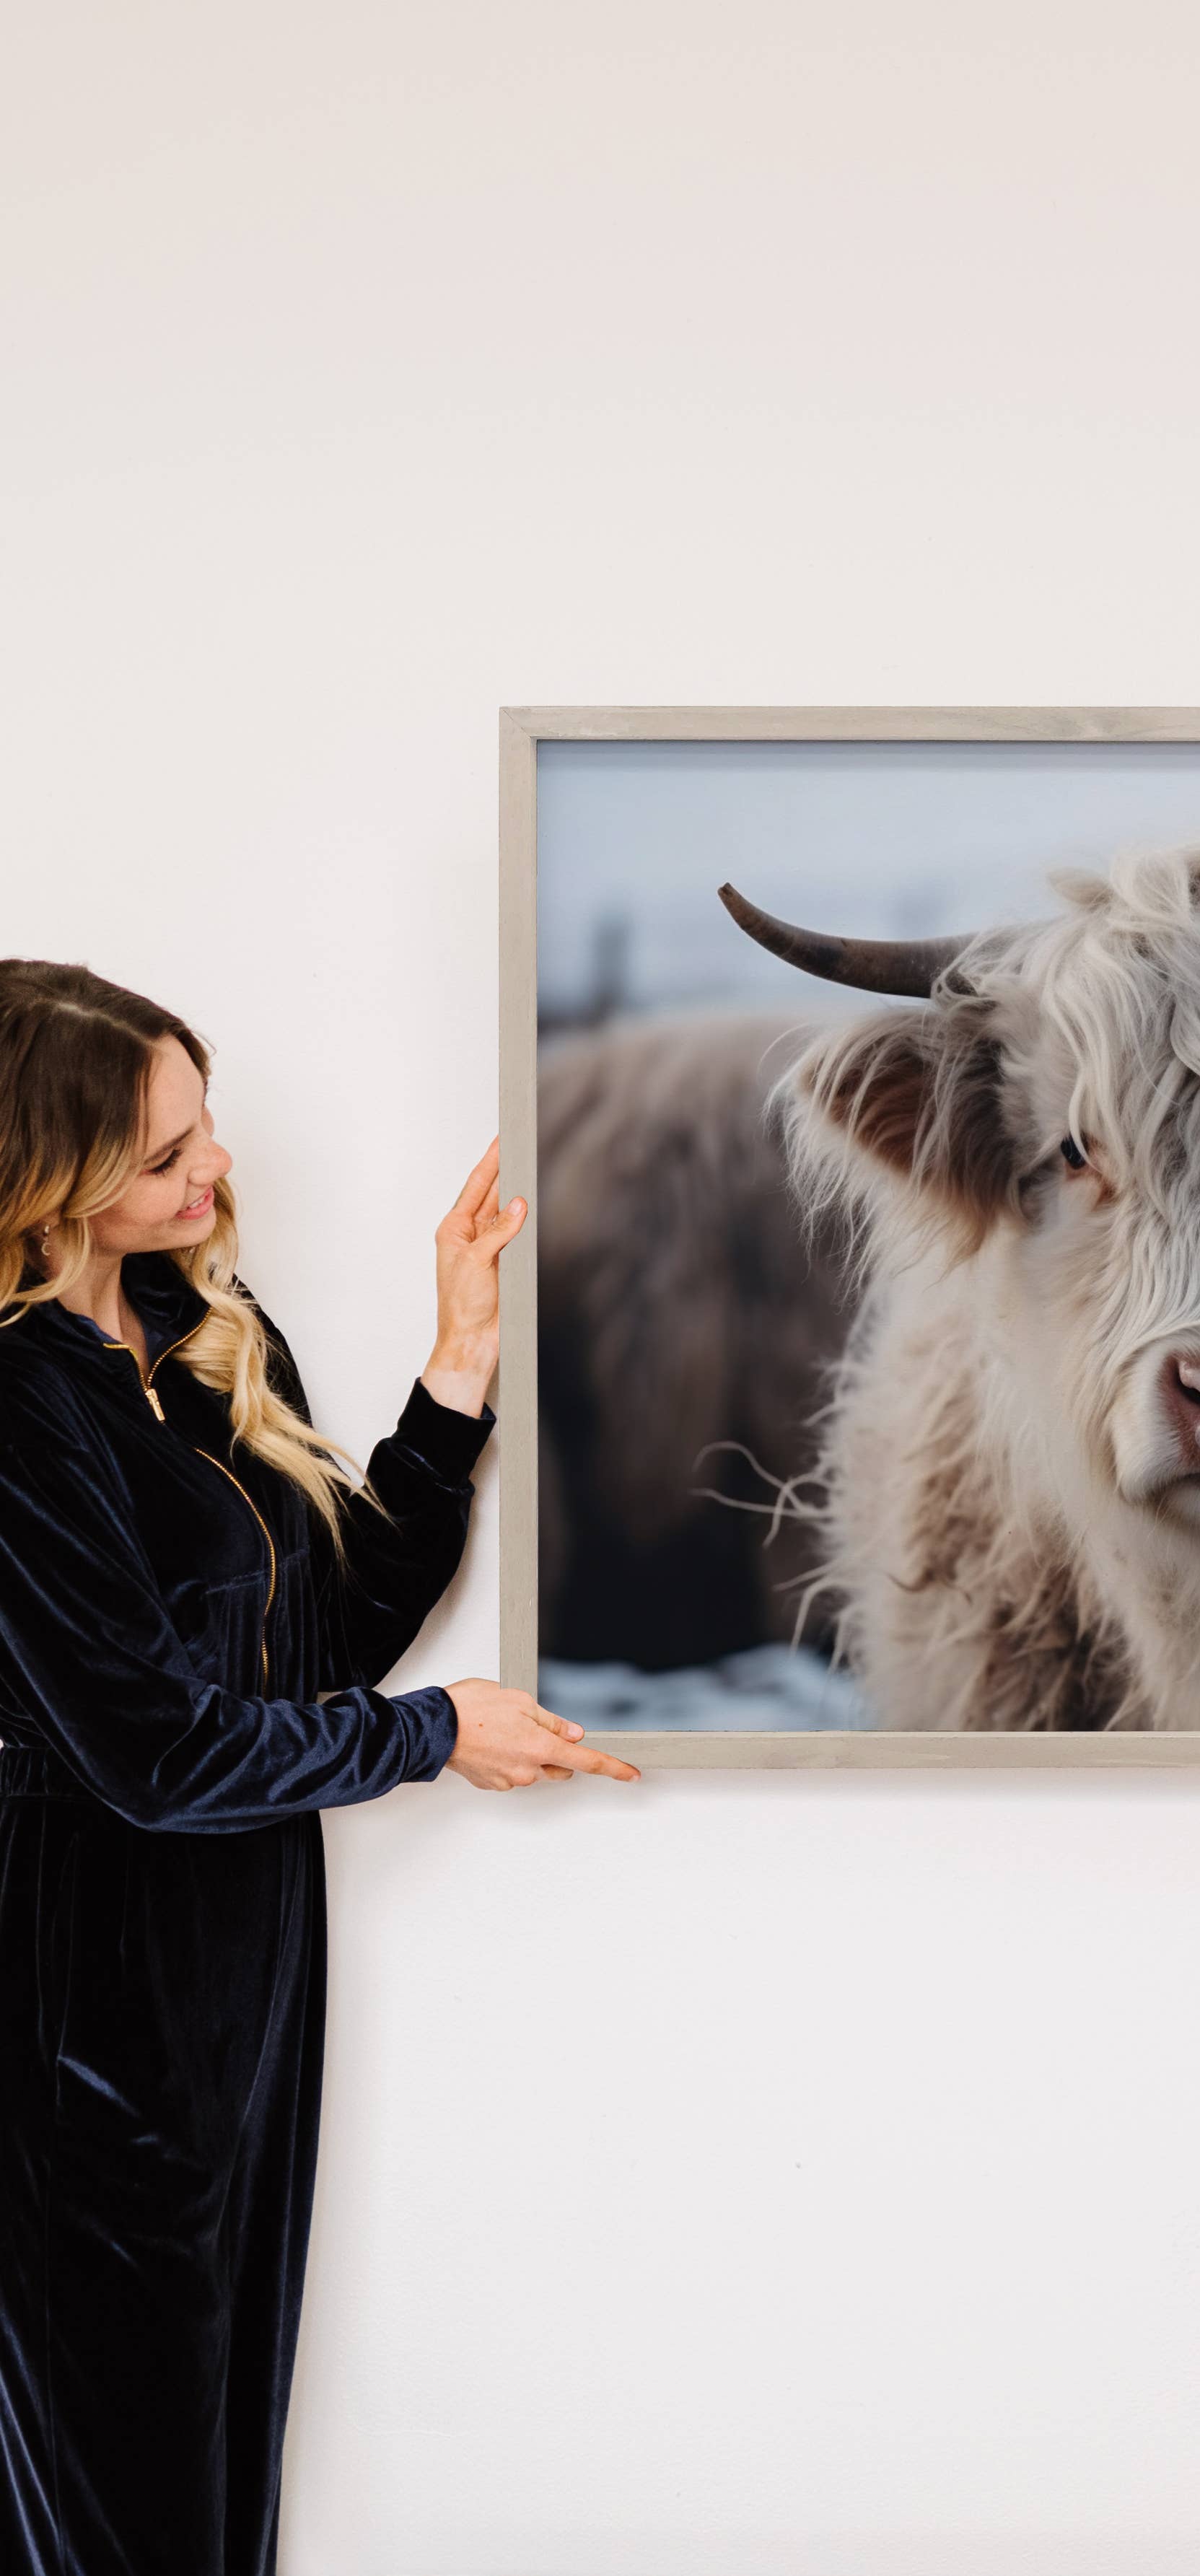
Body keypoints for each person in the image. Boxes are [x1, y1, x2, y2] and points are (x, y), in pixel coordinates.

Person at [0, 960, 639, 2576]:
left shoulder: (199, 1327)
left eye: (204, 1126)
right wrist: (436, 1739)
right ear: (44, 1178)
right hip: (71, 2008)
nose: (214, 1172)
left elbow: (327, 1632)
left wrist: (461, 1359)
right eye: (166, 1156)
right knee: (115, 2504)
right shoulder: (15, 1408)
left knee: (213, 2477)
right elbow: (150, 1753)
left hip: (239, 1985)